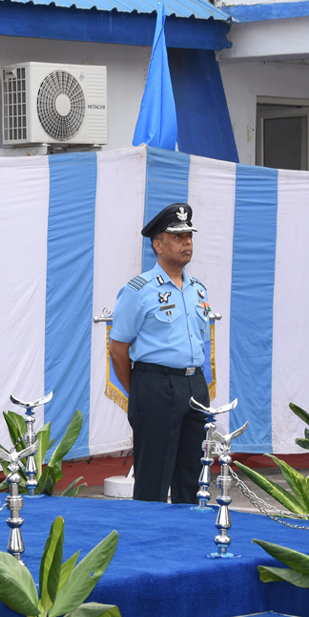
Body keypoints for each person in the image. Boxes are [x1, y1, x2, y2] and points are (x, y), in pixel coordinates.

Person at [109, 202, 211, 503]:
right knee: (153, 477)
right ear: (157, 244)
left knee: (192, 476)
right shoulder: (139, 290)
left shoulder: (198, 289)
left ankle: (186, 543)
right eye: (178, 237)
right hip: (155, 385)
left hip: (194, 385)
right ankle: (146, 544)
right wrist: (139, 392)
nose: (187, 243)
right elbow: (118, 349)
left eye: (189, 236)